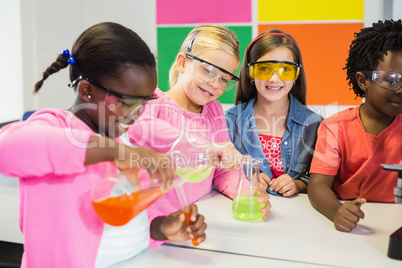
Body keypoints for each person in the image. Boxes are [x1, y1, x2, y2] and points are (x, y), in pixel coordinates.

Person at [0, 22, 207, 268]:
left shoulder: (119, 140)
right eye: (130, 103)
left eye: (145, 103)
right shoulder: (57, 127)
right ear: (87, 91)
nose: (138, 113)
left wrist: (160, 228)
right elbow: (8, 147)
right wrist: (116, 151)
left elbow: (125, 212)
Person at [126, 24, 272, 246]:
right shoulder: (153, 101)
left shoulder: (213, 110)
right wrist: (208, 147)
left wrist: (246, 191)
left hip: (195, 219)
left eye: (224, 79)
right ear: (183, 62)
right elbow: (142, 128)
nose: (215, 84)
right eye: (208, 70)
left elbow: (223, 172)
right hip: (154, 226)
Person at [308, 19, 402, 232]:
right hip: (350, 223)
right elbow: (318, 185)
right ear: (363, 81)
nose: (400, 90)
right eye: (392, 80)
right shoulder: (334, 127)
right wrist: (336, 211)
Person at [225, 29, 323, 197]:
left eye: (285, 69)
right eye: (264, 68)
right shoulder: (229, 122)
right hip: (250, 213)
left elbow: (323, 179)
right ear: (250, 73)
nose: (274, 79)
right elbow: (218, 173)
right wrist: (244, 176)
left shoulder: (315, 125)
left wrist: (298, 184)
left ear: (296, 75)